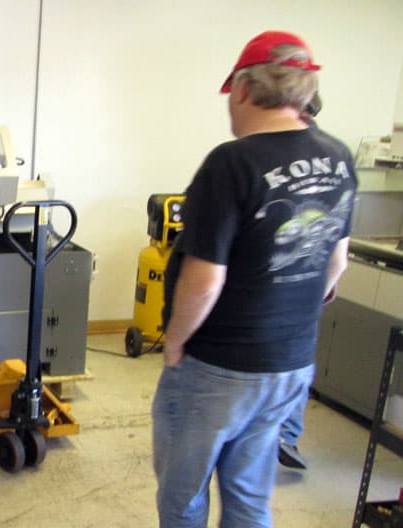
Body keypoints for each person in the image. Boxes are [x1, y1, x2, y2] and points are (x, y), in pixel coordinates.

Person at [151, 31, 356, 527]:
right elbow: (336, 262)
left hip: (219, 364)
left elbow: (204, 281)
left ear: (242, 89)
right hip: (290, 362)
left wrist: (175, 342)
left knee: (183, 496)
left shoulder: (232, 162)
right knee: (248, 493)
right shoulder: (339, 156)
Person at [277, 91, 324, 471]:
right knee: (295, 366)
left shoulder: (266, 156)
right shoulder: (335, 159)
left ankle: (284, 436)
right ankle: (286, 435)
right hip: (305, 289)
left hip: (283, 288)